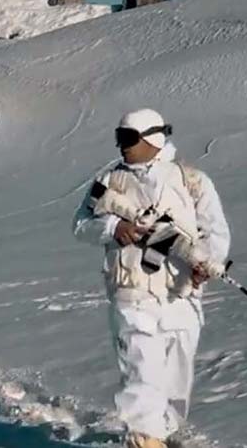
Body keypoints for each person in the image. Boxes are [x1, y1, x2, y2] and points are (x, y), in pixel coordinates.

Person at [74, 109, 231, 448]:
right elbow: (81, 225)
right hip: (131, 294)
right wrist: (116, 228)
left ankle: (164, 435)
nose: (122, 146)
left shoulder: (192, 180)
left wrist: (207, 264)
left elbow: (215, 232)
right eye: (120, 137)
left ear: (153, 138)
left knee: (176, 381)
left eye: (128, 138)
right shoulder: (107, 182)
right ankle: (144, 439)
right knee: (142, 376)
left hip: (181, 297)